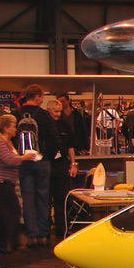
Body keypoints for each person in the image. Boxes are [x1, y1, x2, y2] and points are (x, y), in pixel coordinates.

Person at [0, 114, 39, 253]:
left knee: (6, 212)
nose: (16, 129)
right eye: (14, 125)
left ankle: (0, 244)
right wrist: (24, 157)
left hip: (5, 181)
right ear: (5, 128)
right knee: (13, 210)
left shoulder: (7, 142)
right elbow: (10, 160)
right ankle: (9, 242)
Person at [17, 84, 59, 248]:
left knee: (27, 197)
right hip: (42, 161)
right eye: (42, 97)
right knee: (43, 197)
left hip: (23, 161)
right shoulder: (44, 116)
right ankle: (43, 233)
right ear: (37, 97)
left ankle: (31, 233)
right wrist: (48, 155)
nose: (42, 100)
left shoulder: (16, 114)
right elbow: (55, 138)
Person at [47, 99, 78, 241]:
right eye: (55, 111)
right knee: (46, 200)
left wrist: (73, 164)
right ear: (49, 111)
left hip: (62, 166)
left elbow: (70, 146)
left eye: (60, 111)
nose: (58, 114)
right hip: (47, 166)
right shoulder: (44, 125)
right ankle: (46, 229)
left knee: (61, 199)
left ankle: (62, 229)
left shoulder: (65, 126)